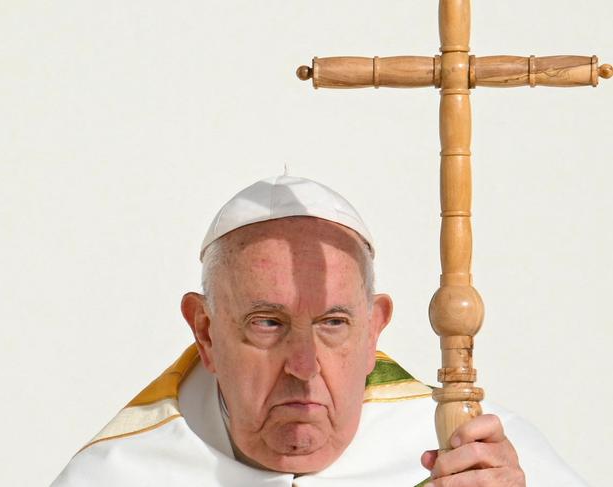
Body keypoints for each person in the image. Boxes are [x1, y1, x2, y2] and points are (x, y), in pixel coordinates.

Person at [51, 175, 585, 487]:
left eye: (333, 323)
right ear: (206, 332)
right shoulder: (119, 475)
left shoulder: (480, 461)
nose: (303, 367)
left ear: (374, 328)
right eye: (267, 323)